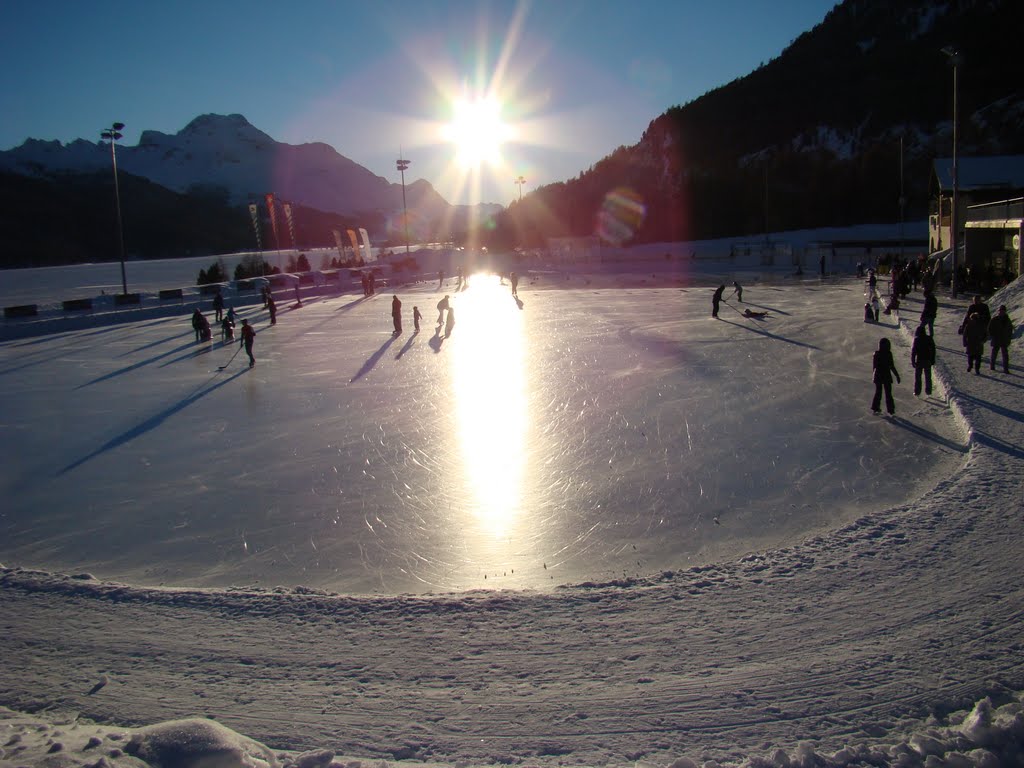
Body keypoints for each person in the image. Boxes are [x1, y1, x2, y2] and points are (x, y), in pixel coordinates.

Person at [871, 337, 900, 415]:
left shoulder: (876, 354)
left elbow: (874, 367)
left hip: (878, 376)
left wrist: (874, 375)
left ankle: (875, 407)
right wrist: (897, 375)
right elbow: (892, 366)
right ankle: (890, 410)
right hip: (886, 375)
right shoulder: (888, 354)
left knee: (878, 392)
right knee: (888, 393)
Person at [911, 324, 936, 396]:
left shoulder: (917, 340)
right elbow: (933, 350)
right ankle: (928, 391)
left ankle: (917, 391)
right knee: (928, 377)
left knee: (918, 377)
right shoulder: (929, 339)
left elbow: (914, 352)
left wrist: (913, 361)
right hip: (927, 360)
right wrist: (932, 359)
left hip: (919, 361)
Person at [988, 304, 1013, 373]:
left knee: (1005, 355)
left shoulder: (1007, 320)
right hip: (996, 339)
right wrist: (993, 335)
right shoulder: (994, 319)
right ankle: (992, 365)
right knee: (994, 353)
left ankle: (1006, 368)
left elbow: (1010, 330)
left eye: (1003, 311)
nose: (1001, 312)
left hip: (1004, 340)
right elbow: (989, 328)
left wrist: (1009, 338)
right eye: (1000, 311)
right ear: (998, 311)